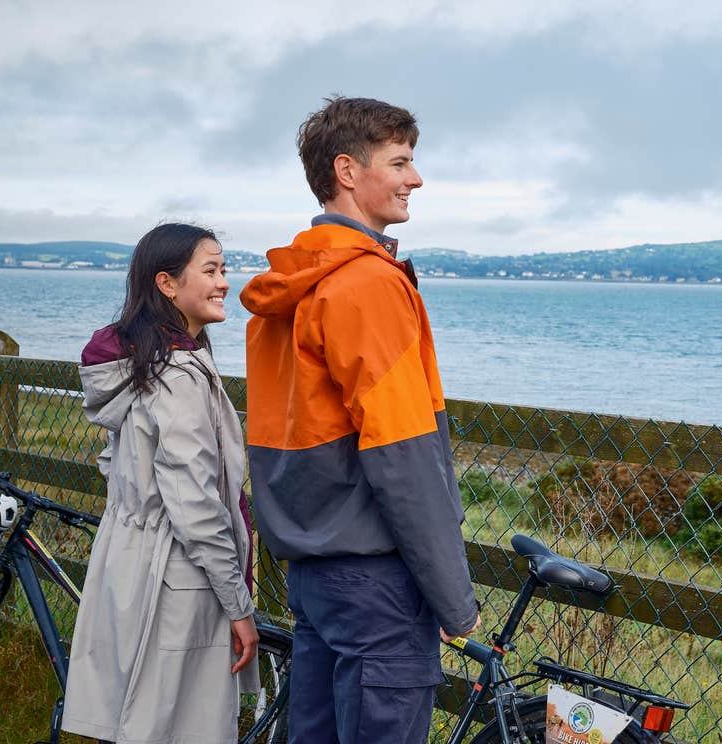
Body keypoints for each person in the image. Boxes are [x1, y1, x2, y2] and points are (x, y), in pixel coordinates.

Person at [239, 96, 480, 743]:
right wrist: (453, 598)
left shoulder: (286, 289)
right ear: (348, 170)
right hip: (375, 579)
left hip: (314, 573)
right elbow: (404, 458)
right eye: (400, 162)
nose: (416, 178)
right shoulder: (368, 285)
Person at [63, 223, 259, 744]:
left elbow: (118, 461)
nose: (224, 282)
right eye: (211, 269)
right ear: (167, 284)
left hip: (127, 565)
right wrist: (239, 606)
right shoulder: (178, 376)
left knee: (138, 722)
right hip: (177, 582)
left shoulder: (142, 366)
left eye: (224, 268)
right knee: (178, 727)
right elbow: (197, 507)